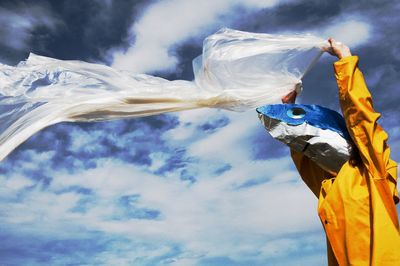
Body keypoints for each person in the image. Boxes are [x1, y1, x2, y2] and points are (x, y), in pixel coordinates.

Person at [282, 38, 400, 265]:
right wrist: (288, 109)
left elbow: (362, 119)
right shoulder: (329, 186)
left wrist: (345, 59)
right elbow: (304, 156)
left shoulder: (371, 174)